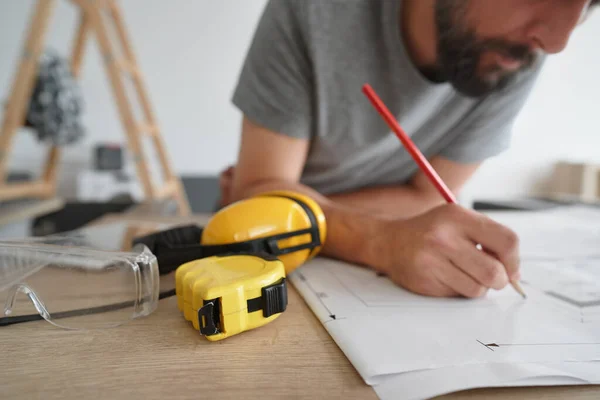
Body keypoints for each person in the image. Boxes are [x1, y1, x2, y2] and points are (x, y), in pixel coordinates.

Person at [218, 0, 597, 298]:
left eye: (590, 5)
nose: (558, 42)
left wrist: (295, 204)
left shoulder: (513, 54)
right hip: (276, 268)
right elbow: (258, 193)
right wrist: (381, 240)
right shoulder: (313, 10)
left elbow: (430, 198)